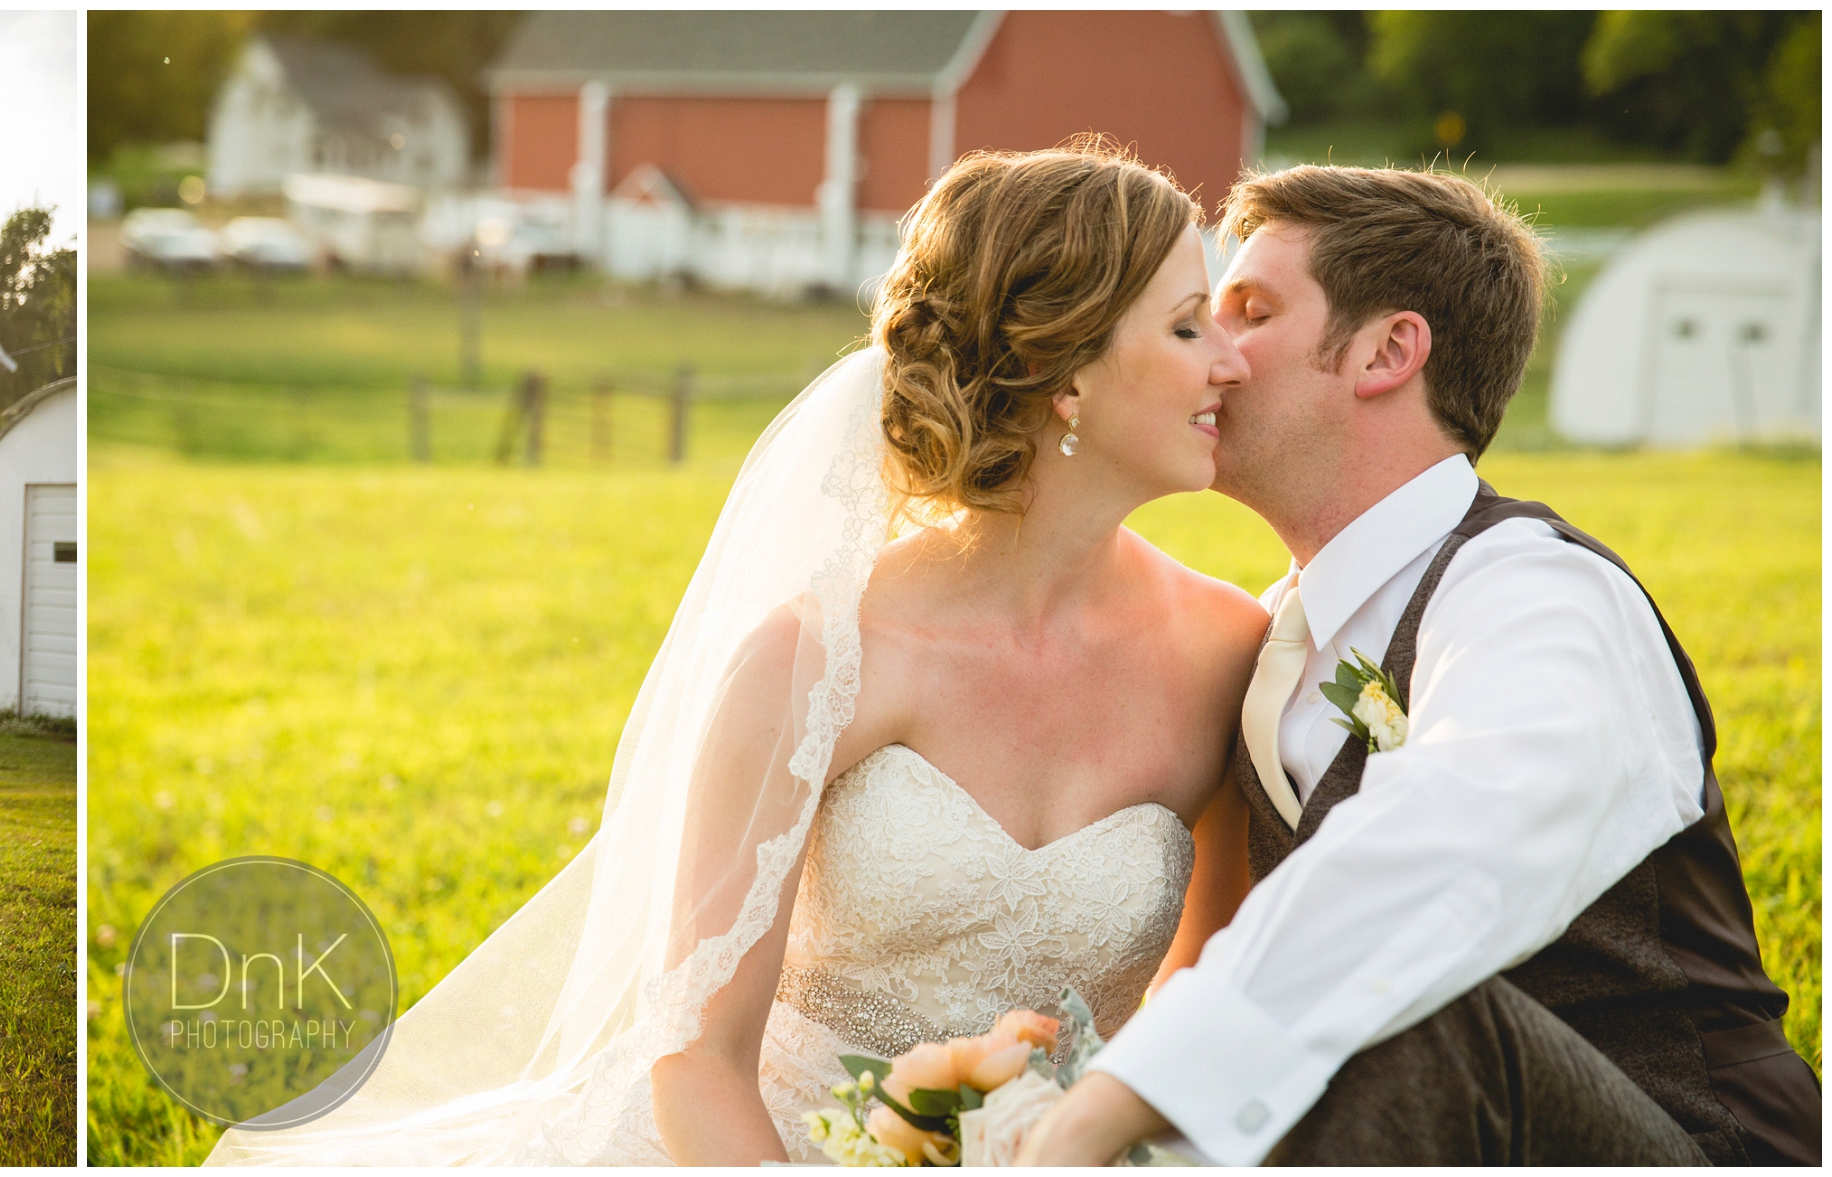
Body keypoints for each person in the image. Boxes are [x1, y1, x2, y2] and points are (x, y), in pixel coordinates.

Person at [205, 139, 1264, 1165]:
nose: (1231, 362)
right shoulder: (817, 656)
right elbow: (695, 1056)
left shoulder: (1227, 650)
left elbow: (1201, 988)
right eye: (1184, 328)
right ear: (1051, 370)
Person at [1016, 165, 1817, 1167]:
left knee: (1399, 1007)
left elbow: (1458, 836)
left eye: (1249, 311)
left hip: (1690, 1141)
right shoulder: (1260, 637)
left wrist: (1113, 1102)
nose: (1209, 357)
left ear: (1387, 351)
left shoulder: (1537, 594)